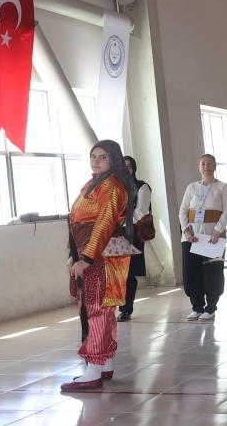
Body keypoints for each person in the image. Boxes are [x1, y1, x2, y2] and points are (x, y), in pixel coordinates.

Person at [60, 139, 136, 392]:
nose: (96, 160)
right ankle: (104, 364)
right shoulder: (94, 183)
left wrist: (87, 258)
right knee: (101, 309)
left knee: (96, 309)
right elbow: (76, 220)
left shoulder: (112, 186)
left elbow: (104, 224)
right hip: (89, 252)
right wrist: (73, 254)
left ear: (113, 159)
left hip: (99, 256)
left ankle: (93, 370)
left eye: (103, 156)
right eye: (93, 156)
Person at [178, 154, 227, 321]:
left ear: (215, 166)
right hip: (192, 237)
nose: (206, 167)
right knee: (192, 273)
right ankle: (197, 307)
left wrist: (217, 230)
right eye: (203, 164)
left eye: (209, 164)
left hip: (212, 237)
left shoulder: (223, 187)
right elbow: (183, 211)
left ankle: (210, 308)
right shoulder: (191, 187)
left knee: (212, 273)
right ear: (199, 167)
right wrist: (186, 231)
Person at [118, 155, 151, 322]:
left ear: (134, 168)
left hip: (133, 233)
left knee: (129, 273)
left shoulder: (142, 187)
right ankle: (120, 306)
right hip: (117, 233)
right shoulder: (115, 188)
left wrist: (120, 217)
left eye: (129, 166)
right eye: (123, 166)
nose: (126, 169)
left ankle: (126, 309)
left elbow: (141, 212)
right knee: (119, 272)